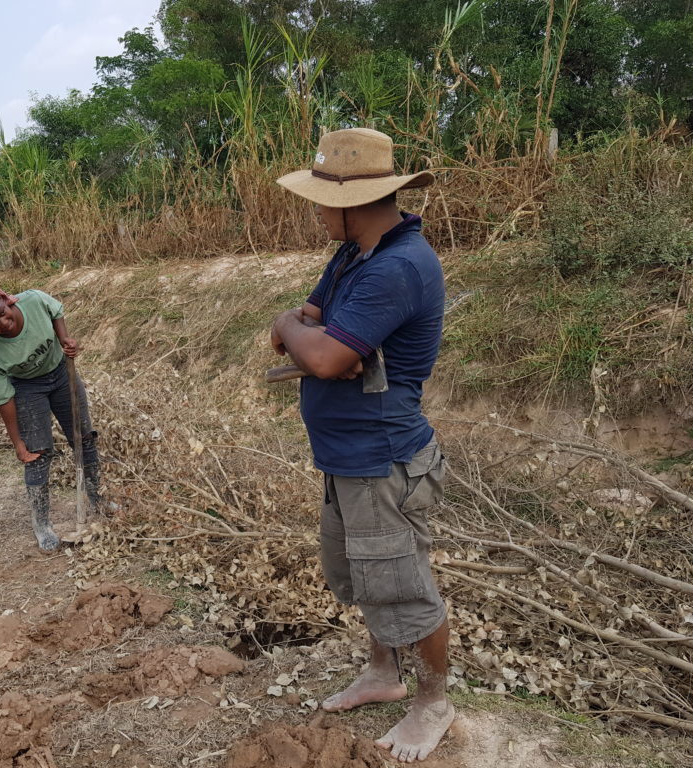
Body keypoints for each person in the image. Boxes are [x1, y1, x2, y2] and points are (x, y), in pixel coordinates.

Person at [270, 128, 451, 763]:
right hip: (345, 456)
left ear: (357, 201)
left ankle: (434, 702)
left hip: (383, 460)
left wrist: (313, 343)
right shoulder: (355, 255)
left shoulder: (399, 267)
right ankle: (383, 671)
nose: (317, 211)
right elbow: (303, 328)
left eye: (322, 201)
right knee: (365, 574)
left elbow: (317, 354)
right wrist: (302, 332)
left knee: (403, 581)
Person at [0, 280, 104, 552]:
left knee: (84, 439)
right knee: (38, 454)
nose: (3, 323)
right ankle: (42, 523)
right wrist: (19, 445)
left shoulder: (33, 300)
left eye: (2, 313)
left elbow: (55, 310)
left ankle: (97, 499)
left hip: (61, 374)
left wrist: (65, 340)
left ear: (5, 300)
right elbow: (3, 399)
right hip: (26, 388)